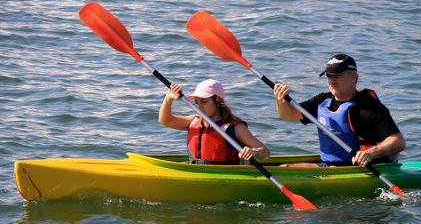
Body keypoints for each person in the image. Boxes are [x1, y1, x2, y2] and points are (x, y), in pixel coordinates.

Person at [273, 54, 405, 167]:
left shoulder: (369, 108)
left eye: (337, 76)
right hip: (330, 166)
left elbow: (398, 142)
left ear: (353, 77)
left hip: (364, 168)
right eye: (329, 76)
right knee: (285, 167)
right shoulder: (322, 101)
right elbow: (289, 115)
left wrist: (370, 153)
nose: (332, 81)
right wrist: (280, 100)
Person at [159, 79, 270, 164]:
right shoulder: (193, 121)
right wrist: (168, 99)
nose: (199, 106)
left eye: (204, 101)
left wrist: (254, 151)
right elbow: (165, 120)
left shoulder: (235, 128)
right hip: (196, 172)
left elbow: (265, 152)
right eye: (197, 102)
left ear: (217, 102)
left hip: (224, 177)